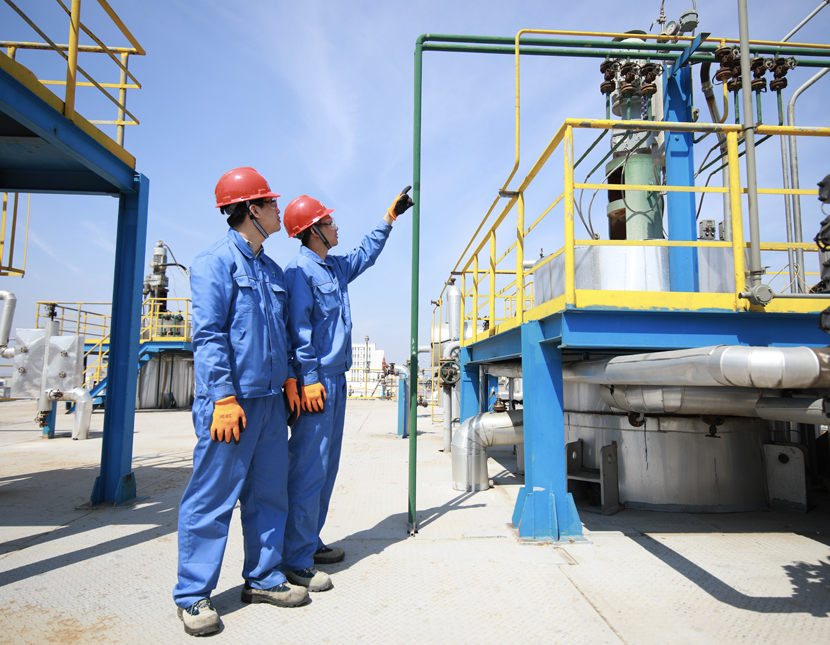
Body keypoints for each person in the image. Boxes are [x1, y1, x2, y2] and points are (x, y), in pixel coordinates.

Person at [173, 167, 304, 636]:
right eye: (271, 204)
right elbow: (208, 336)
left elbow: (281, 335)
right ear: (252, 209)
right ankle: (192, 595)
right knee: (211, 499)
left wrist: (289, 378)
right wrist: (224, 397)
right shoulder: (214, 263)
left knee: (269, 494)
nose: (278, 211)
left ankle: (263, 578)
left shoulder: (271, 269)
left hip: (269, 403)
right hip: (231, 405)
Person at [281, 187, 413, 592]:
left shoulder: (333, 268)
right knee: (308, 469)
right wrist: (308, 380)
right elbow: (299, 332)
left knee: (326, 468)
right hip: (317, 382)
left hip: (336, 379)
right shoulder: (299, 272)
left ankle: (309, 541)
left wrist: (389, 218)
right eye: (329, 222)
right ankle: (295, 559)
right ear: (313, 231)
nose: (336, 226)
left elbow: (365, 254)